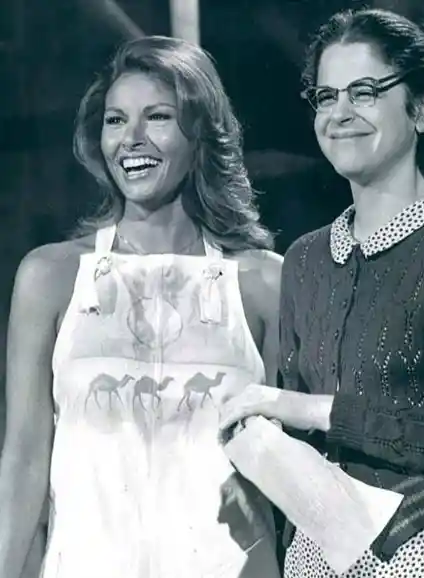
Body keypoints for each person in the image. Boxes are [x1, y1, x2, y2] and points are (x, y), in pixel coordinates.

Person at [0, 35, 283, 578]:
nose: (131, 139)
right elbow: (24, 461)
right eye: (115, 120)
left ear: (200, 132)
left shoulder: (265, 282)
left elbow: (293, 460)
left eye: (157, 117)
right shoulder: (50, 277)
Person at [219, 7, 424, 577]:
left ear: (423, 107)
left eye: (364, 92)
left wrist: (320, 411)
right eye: (326, 96)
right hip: (314, 560)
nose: (340, 113)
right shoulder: (305, 260)